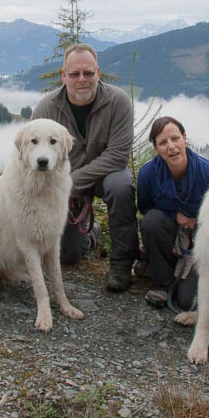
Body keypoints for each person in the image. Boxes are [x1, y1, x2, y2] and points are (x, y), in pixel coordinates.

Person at [32, 43, 136, 291]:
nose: (82, 80)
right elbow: (33, 154)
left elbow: (118, 156)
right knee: (68, 254)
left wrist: (72, 184)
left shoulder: (118, 102)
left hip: (104, 176)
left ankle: (121, 264)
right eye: (75, 74)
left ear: (97, 73)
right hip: (65, 182)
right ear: (64, 75)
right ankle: (92, 233)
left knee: (121, 185)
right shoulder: (47, 108)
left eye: (88, 73)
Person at [137, 116, 209, 308]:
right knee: (151, 221)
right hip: (167, 231)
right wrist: (176, 216)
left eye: (175, 139)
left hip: (202, 240)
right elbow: (145, 207)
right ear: (156, 148)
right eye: (163, 142)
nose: (171, 147)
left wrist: (197, 221)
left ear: (184, 138)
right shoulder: (148, 174)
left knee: (186, 300)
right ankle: (161, 284)